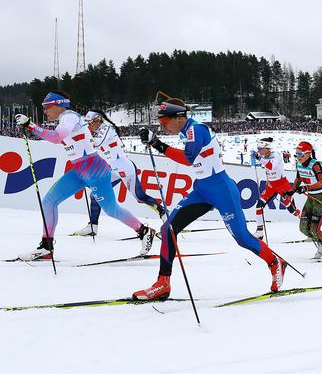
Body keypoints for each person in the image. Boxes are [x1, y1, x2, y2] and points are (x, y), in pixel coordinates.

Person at [133, 98, 284, 300]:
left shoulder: (197, 130)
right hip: (202, 190)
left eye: (164, 123)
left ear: (178, 117)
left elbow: (188, 158)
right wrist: (155, 141)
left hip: (222, 190)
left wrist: (157, 144)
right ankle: (163, 283)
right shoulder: (186, 131)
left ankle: (275, 262)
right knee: (168, 228)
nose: (163, 127)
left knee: (242, 238)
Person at [15, 92, 155, 261]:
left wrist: (31, 126)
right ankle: (46, 246)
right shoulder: (66, 118)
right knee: (48, 202)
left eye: (47, 107)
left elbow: (56, 137)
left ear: (60, 105)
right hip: (79, 171)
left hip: (95, 170)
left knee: (111, 210)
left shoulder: (69, 117)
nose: (45, 111)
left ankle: (144, 231)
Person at [72, 109, 164, 236]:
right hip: (113, 169)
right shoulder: (97, 130)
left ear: (98, 120)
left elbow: (94, 143)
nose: (89, 125)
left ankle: (166, 217)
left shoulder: (107, 129)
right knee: (95, 194)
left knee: (140, 197)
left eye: (90, 122)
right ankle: (93, 226)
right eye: (87, 123)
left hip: (124, 168)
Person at [289, 141, 322, 262]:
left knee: (315, 229)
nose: (298, 157)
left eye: (300, 154)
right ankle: (321, 247)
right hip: (311, 198)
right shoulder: (299, 164)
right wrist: (291, 190)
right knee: (304, 228)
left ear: (308, 154)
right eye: (296, 154)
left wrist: (306, 188)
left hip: (321, 198)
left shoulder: (315, 165)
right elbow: (298, 178)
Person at [253, 137, 300, 239]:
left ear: (267, 147)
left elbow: (271, 166)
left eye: (260, 148)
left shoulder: (276, 155)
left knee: (290, 208)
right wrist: (268, 180)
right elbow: (268, 171)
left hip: (282, 184)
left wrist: (259, 158)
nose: (259, 150)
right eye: (258, 148)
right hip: (272, 185)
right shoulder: (264, 156)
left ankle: (304, 221)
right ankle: (259, 231)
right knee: (259, 205)